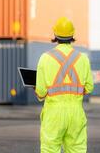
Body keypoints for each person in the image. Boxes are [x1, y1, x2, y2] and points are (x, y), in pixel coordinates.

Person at [34, 17, 94, 153]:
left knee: (50, 149)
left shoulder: (45, 58)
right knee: (77, 149)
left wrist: (37, 90)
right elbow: (89, 87)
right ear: (73, 35)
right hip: (76, 112)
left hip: (53, 114)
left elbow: (41, 92)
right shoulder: (83, 58)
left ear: (55, 35)